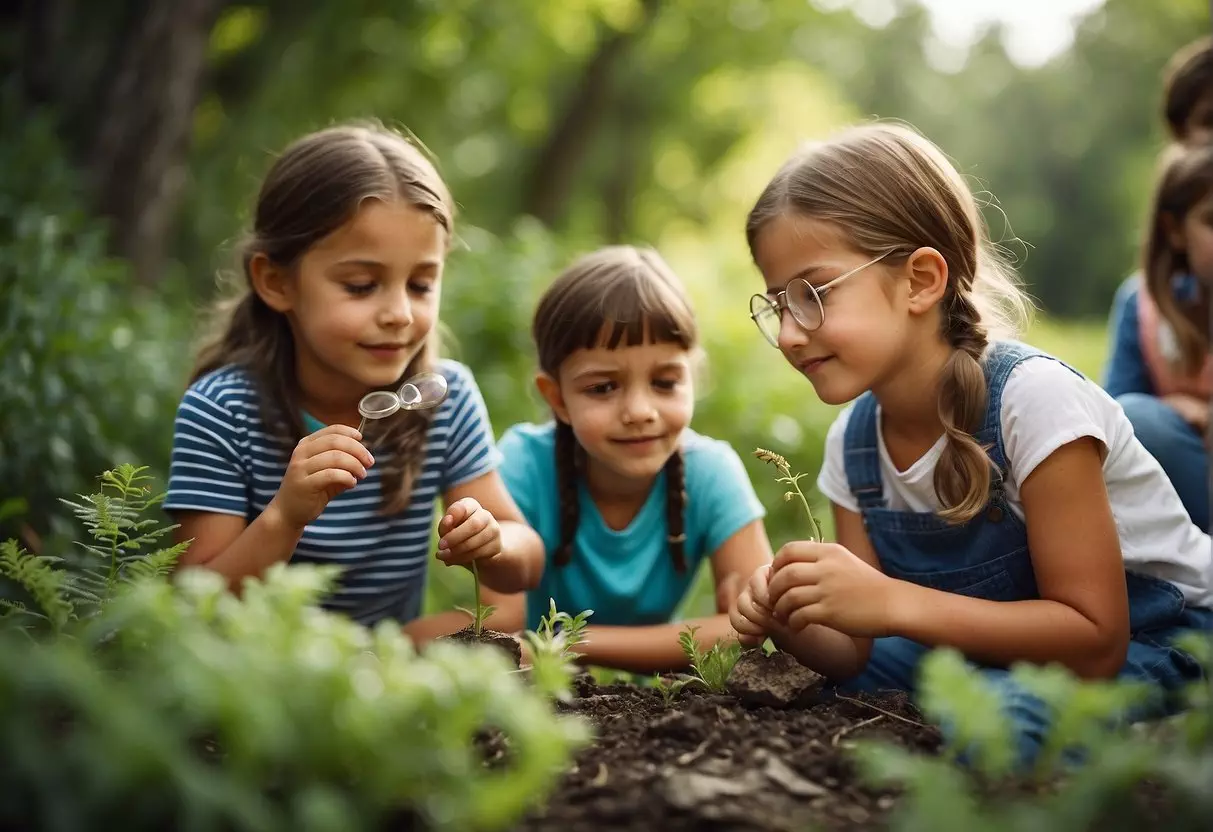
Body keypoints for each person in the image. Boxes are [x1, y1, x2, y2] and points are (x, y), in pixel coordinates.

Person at [731, 122, 1213, 769]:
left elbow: (1096, 639)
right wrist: (794, 611)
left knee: (997, 718)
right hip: (999, 646)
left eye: (811, 296)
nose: (789, 334)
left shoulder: (1030, 400)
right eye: (776, 306)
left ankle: (1158, 748)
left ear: (921, 280)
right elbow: (854, 649)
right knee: (849, 688)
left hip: (1159, 637)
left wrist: (892, 600)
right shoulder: (853, 444)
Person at [163, 121, 544, 641]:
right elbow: (192, 608)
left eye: (421, 284)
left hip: (384, 681)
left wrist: (494, 540)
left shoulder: (443, 401)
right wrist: (285, 516)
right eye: (362, 286)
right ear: (276, 282)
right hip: (252, 682)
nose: (398, 313)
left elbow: (521, 575)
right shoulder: (222, 409)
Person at [487, 245, 774, 673]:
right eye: (603, 387)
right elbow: (503, 633)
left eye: (664, 382)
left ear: (690, 379)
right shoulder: (523, 463)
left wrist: (568, 643)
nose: (640, 411)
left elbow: (752, 624)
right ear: (557, 398)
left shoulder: (710, 472)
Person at [1102, 36, 1212, 530]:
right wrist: (1176, 408)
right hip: (1191, 487)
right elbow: (1115, 421)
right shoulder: (1143, 304)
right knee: (1140, 420)